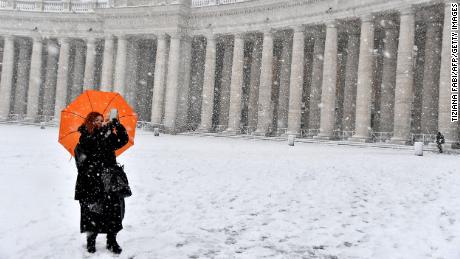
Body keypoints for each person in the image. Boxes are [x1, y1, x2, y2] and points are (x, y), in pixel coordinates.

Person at [74, 111, 129, 254]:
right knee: (92, 211)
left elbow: (123, 140)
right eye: (96, 120)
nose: (100, 122)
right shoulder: (85, 135)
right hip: (91, 180)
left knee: (113, 210)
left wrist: (118, 126)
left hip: (109, 179)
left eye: (101, 120)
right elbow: (90, 144)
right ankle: (91, 240)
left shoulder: (108, 134)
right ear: (90, 122)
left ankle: (112, 240)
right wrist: (103, 132)